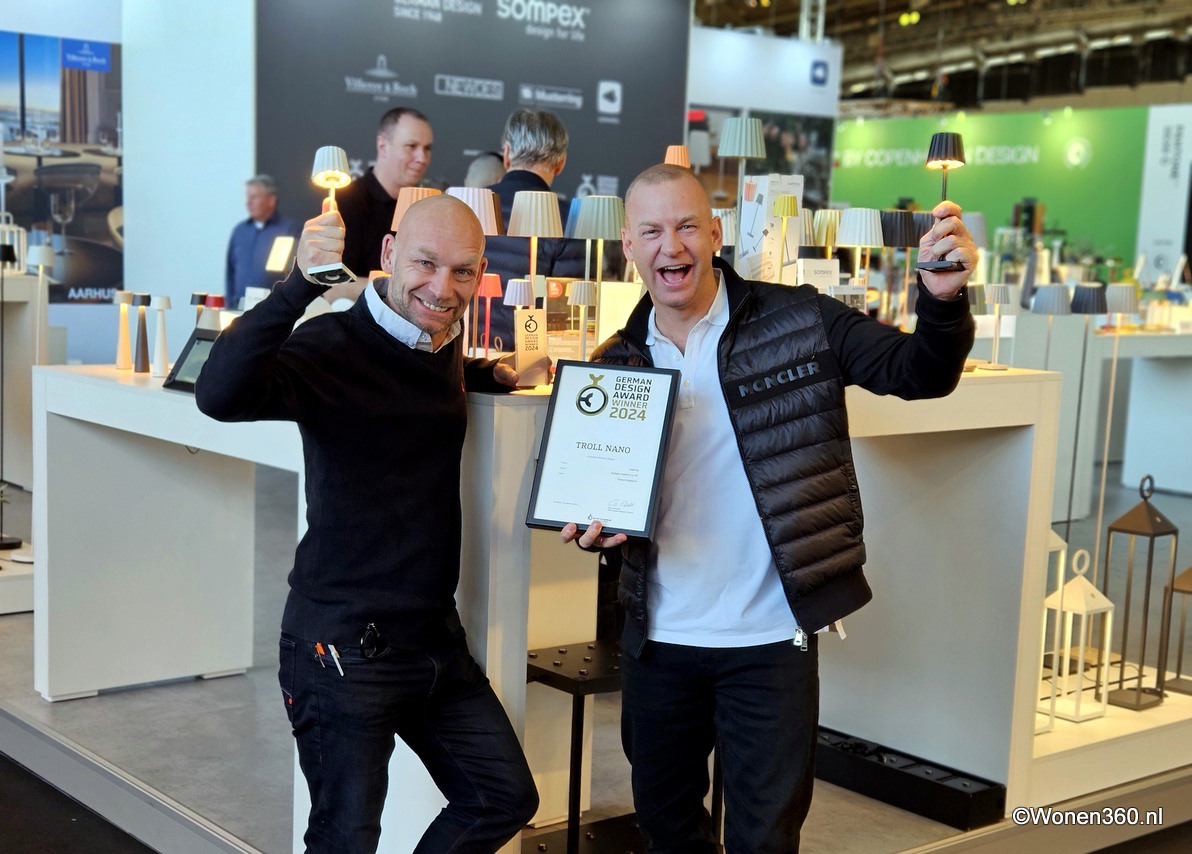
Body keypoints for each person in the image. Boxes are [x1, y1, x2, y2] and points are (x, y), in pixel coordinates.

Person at [561, 164, 976, 853]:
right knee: (667, 830)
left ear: (715, 233)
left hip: (770, 641)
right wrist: (595, 530)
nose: (672, 246)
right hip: (659, 643)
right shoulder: (615, 364)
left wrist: (942, 300)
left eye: (687, 226)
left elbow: (920, 374)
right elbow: (600, 498)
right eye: (652, 231)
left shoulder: (802, 320)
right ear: (628, 246)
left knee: (766, 839)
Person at [196, 194, 536, 853]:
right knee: (344, 841)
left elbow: (408, 387)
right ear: (388, 254)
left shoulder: (438, 338)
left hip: (432, 639)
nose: (443, 288)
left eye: (463, 271)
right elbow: (218, 395)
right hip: (341, 647)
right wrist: (298, 286)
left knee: (503, 797)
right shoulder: (330, 345)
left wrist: (487, 371)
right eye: (426, 263)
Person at [482, 109, 585, 350]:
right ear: (560, 162)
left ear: (507, 154)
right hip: (526, 359)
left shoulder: (468, 204)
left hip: (458, 353)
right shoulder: (570, 219)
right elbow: (564, 314)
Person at [333, 106, 433, 298]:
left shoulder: (425, 206)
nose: (422, 158)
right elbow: (332, 286)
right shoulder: (348, 201)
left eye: (427, 148)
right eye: (411, 146)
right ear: (383, 145)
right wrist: (402, 292)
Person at [225, 175, 298, 308]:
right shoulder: (239, 231)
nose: (248, 202)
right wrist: (229, 305)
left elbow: (292, 274)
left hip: (272, 310)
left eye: (254, 197)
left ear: (271, 200)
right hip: (238, 308)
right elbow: (230, 272)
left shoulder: (288, 229)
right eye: (247, 196)